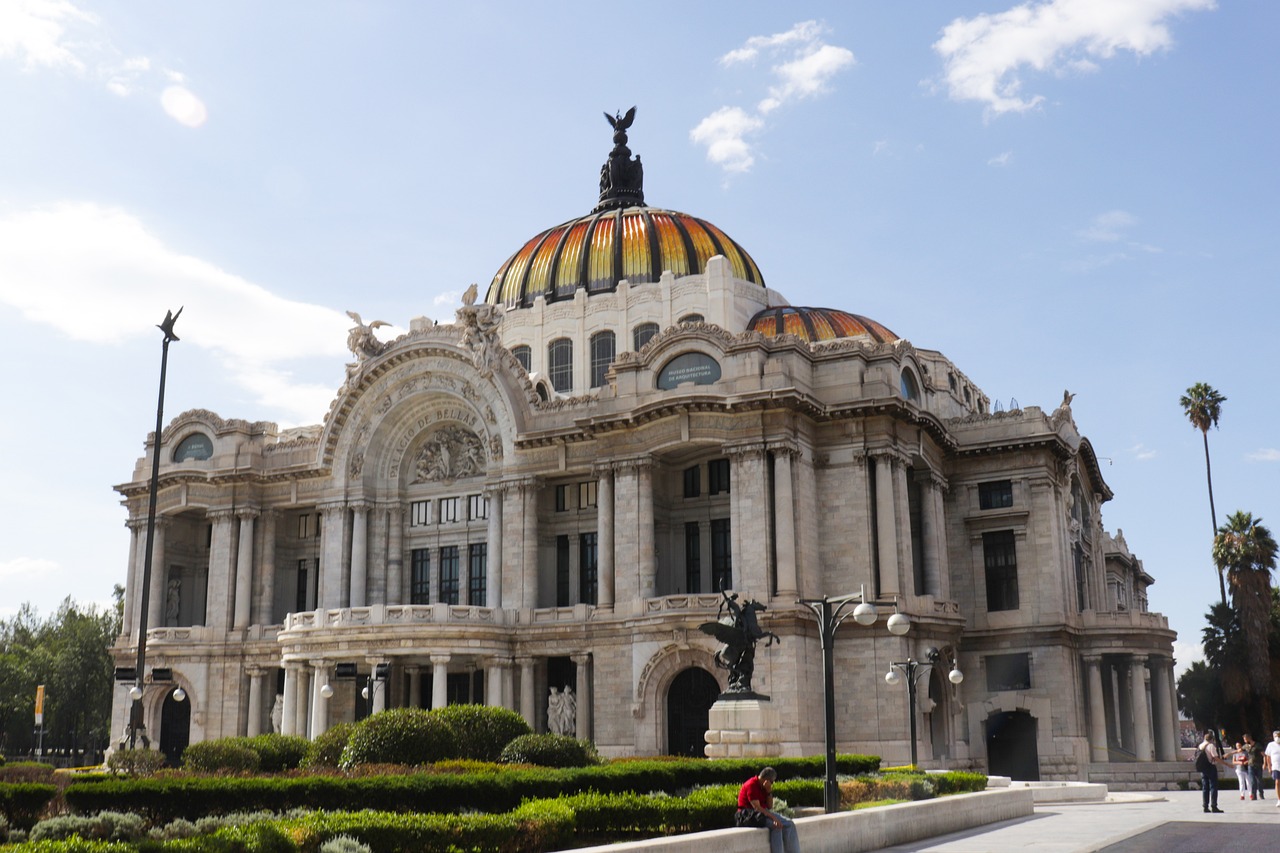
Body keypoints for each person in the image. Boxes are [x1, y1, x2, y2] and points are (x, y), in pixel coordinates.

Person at [736, 766, 800, 853]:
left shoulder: (764, 787)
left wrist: (769, 791)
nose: (772, 784)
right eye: (772, 782)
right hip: (749, 815)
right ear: (767, 779)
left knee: (789, 824)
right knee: (776, 826)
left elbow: (769, 806)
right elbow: (757, 807)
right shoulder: (751, 785)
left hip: (761, 814)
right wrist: (774, 818)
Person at [1195, 730, 1224, 813]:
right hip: (1211, 767)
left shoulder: (1200, 746)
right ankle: (1214, 806)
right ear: (1212, 739)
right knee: (1213, 787)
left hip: (1203, 768)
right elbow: (1215, 757)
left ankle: (1205, 806)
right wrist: (1226, 764)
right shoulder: (1211, 745)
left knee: (1205, 787)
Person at [1242, 734, 1264, 800]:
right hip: (1250, 765)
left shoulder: (1257, 745)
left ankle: (1261, 793)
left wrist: (1266, 763)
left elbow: (1263, 754)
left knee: (1259, 780)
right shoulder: (1246, 746)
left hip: (1258, 765)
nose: (1244, 741)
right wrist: (1229, 754)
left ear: (1249, 738)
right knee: (1252, 781)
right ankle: (1253, 795)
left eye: (1245, 739)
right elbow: (1238, 750)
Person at [1264, 730, 1280, 807]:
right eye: (1276, 736)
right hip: (1276, 767)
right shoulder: (1271, 745)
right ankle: (1279, 799)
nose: (1278, 738)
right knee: (1277, 782)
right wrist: (1269, 767)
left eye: (1279, 736)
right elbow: (1268, 757)